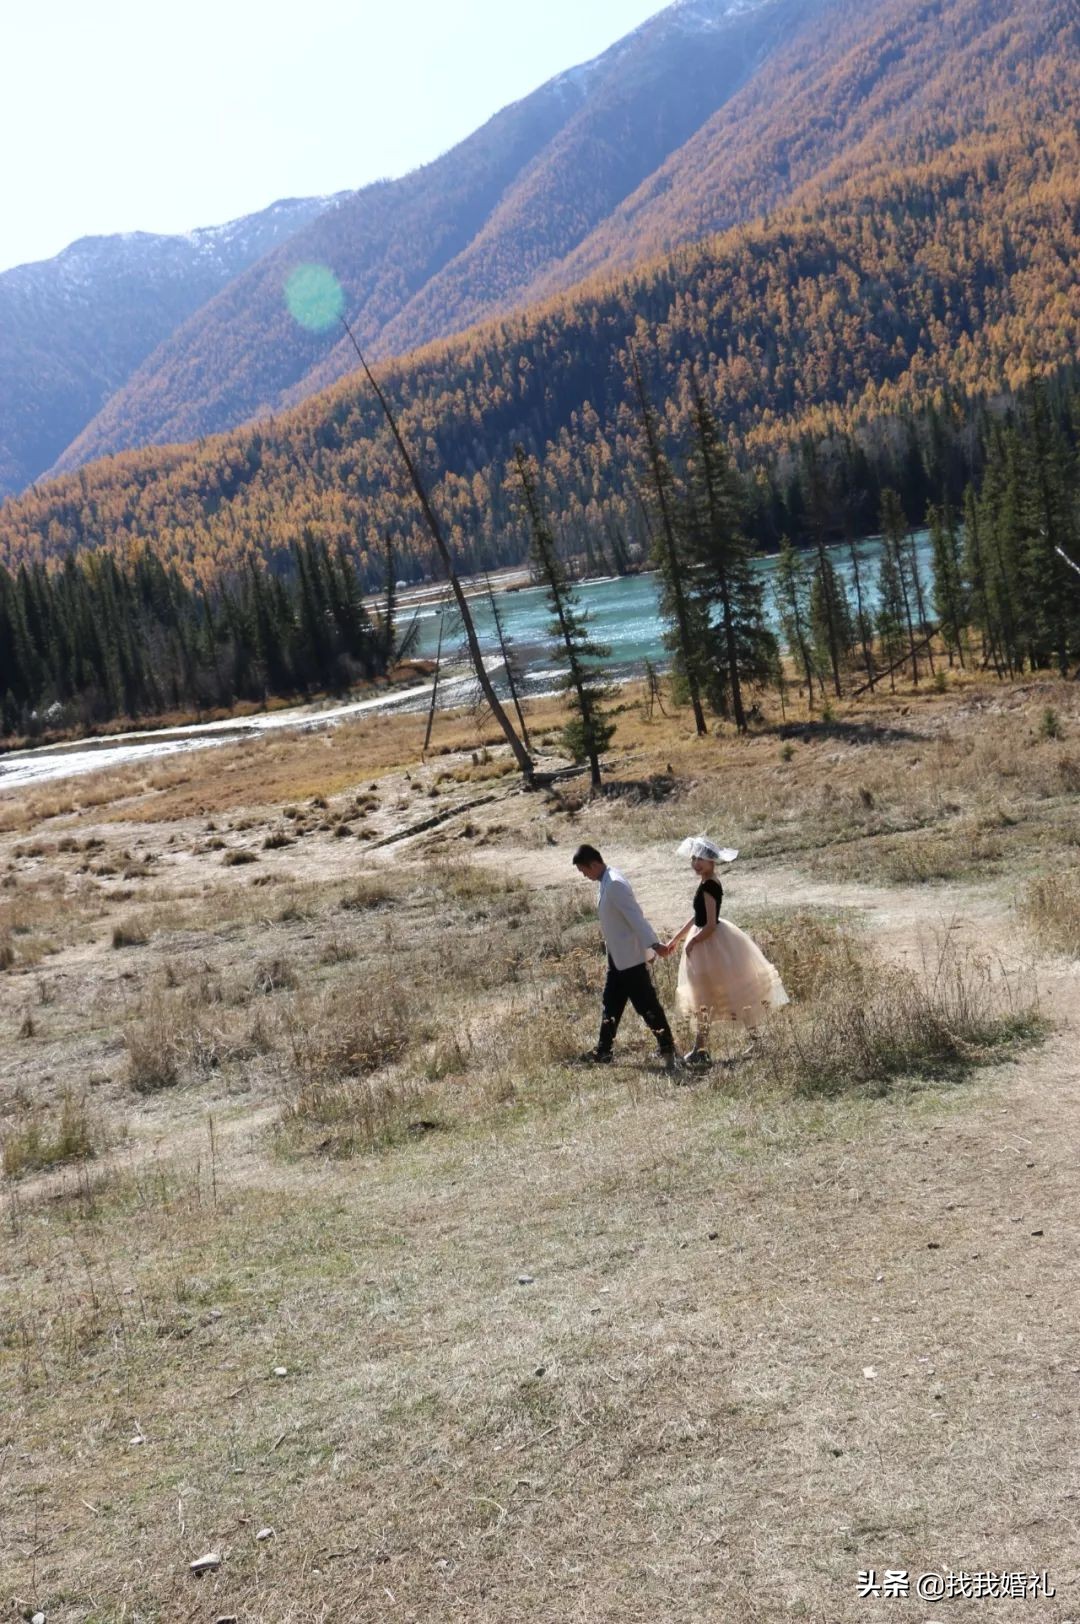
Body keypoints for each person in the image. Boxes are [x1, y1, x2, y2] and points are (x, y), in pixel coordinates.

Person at [662, 834, 789, 1065]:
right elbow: (697, 917)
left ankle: (703, 1048)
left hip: (711, 944)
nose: (696, 863)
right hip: (706, 942)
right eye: (693, 859)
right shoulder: (704, 882)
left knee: (720, 993)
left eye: (701, 859)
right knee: (709, 995)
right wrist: (678, 938)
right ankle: (704, 1047)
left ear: (712, 862)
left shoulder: (710, 885)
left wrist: (692, 942)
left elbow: (710, 924)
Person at [572, 843, 679, 1071]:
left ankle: (667, 1047)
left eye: (584, 870)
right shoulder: (606, 881)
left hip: (630, 958)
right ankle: (603, 1051)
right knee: (611, 1004)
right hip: (618, 957)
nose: (584, 875)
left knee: (646, 1004)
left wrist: (654, 944)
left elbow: (635, 917)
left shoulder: (615, 884)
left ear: (594, 864)